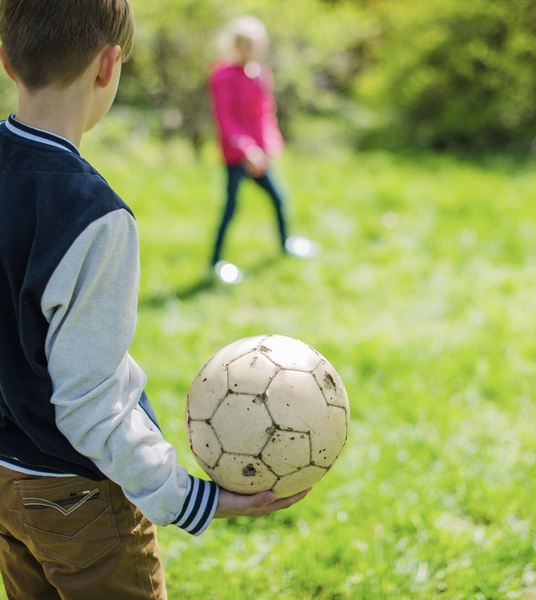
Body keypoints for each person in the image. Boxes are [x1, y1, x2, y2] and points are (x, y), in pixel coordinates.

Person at [0, 2, 309, 599]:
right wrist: (188, 497)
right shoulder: (94, 218)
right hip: (81, 498)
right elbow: (89, 405)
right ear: (108, 66)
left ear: (7, 60)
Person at [209, 16, 319, 284]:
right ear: (234, 45)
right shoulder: (223, 75)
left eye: (254, 45)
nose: (250, 50)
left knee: (279, 199)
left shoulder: (260, 74)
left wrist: (270, 145)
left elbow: (266, 113)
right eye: (244, 44)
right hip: (237, 157)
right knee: (231, 207)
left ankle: (285, 244)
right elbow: (226, 119)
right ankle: (215, 262)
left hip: (260, 155)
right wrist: (247, 149)